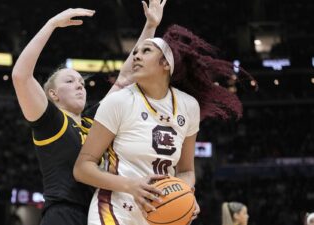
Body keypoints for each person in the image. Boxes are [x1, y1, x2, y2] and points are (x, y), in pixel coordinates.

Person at [73, 20, 255, 225]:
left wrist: (186, 192)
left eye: (146, 51)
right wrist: (130, 185)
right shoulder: (118, 101)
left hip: (161, 214)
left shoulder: (188, 106)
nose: (136, 55)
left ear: (166, 64)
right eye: (135, 53)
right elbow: (82, 168)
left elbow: (186, 171)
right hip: (114, 211)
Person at [12, 2, 166, 225]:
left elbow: (125, 79)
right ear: (53, 94)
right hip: (63, 214)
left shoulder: (91, 122)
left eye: (81, 82)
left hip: (98, 215)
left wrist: (150, 26)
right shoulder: (50, 121)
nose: (80, 85)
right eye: (70, 81)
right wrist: (52, 24)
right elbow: (20, 75)